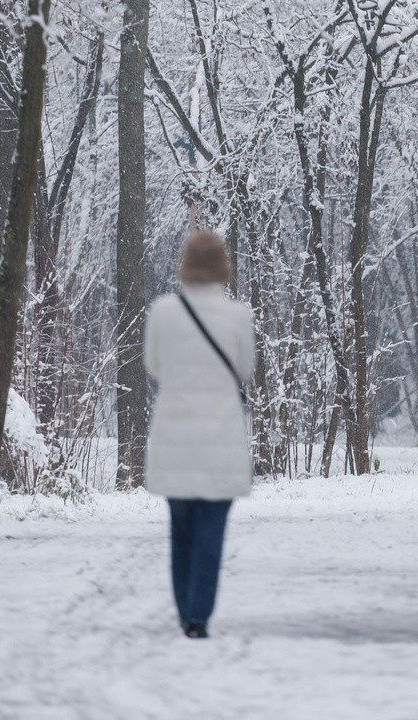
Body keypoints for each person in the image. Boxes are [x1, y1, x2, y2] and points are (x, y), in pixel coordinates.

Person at [144, 230, 256, 639]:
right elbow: (244, 369)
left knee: (181, 531)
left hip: (175, 435)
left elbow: (154, 366)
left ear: (186, 265)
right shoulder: (237, 316)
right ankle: (199, 615)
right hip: (220, 438)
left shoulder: (163, 312)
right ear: (223, 267)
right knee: (211, 532)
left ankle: (184, 610)